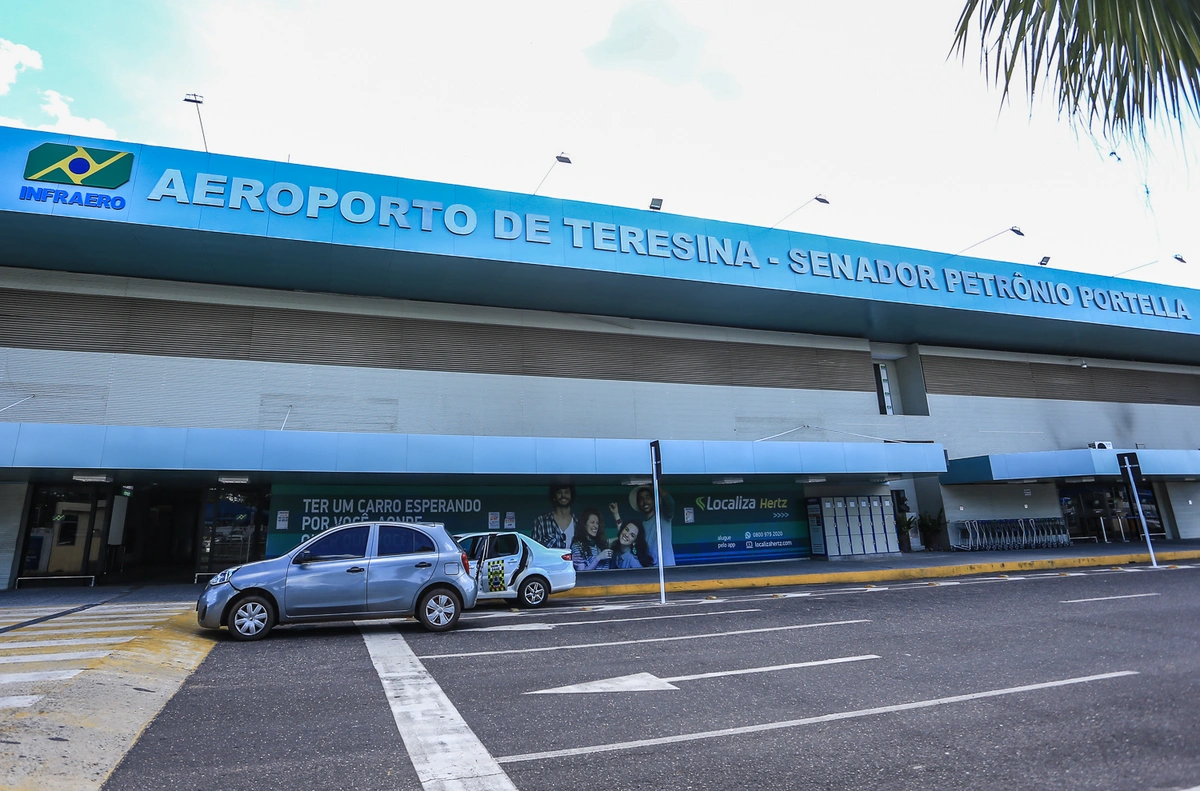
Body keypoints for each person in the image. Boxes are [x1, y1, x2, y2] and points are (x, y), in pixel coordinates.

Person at [618, 486, 675, 566]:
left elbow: (669, 502)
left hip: (667, 567)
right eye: (641, 499)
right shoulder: (640, 527)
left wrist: (654, 486)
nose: (644, 502)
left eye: (647, 497)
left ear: (653, 500)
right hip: (650, 569)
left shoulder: (663, 516)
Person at [530, 484, 577, 549]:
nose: (563, 495)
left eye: (566, 492)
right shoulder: (541, 521)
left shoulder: (579, 523)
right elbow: (534, 550)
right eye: (559, 492)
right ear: (554, 496)